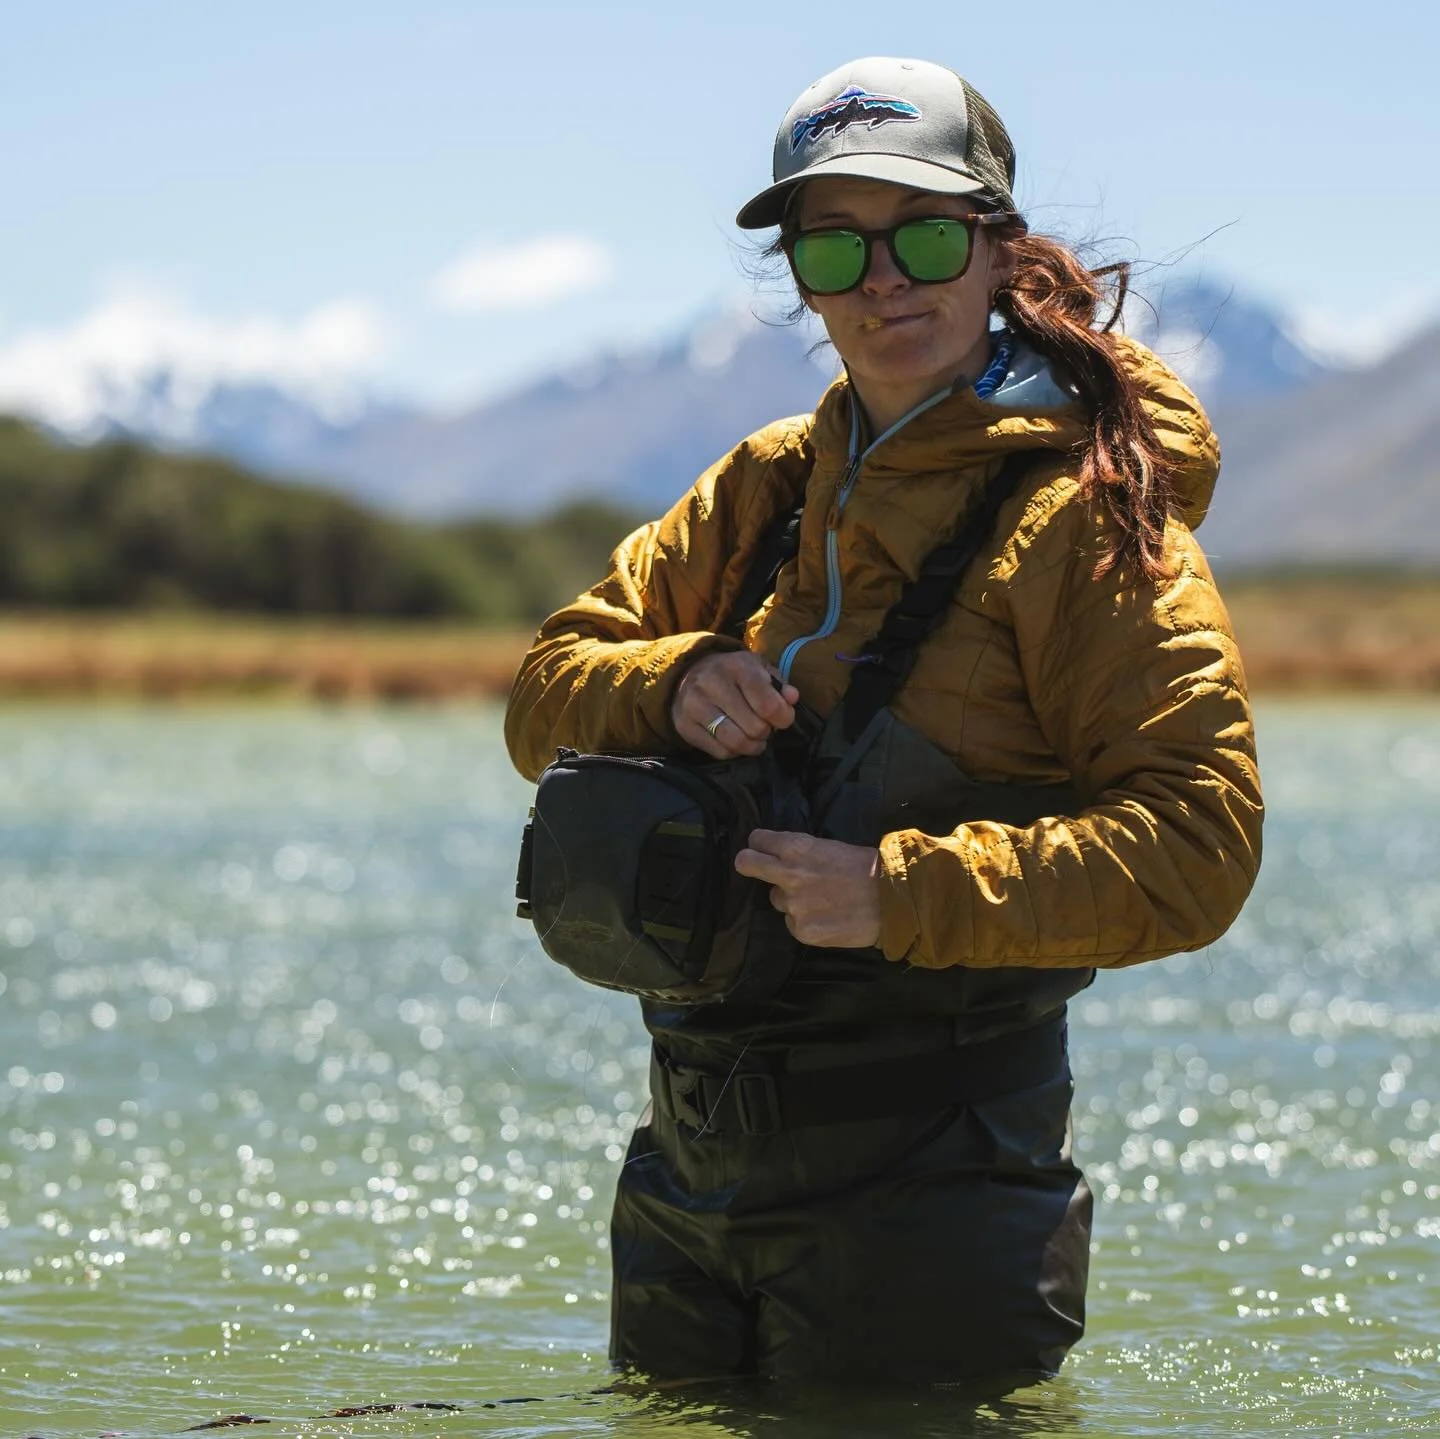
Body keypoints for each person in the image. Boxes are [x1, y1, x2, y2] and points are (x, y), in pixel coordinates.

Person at [505, 56, 1262, 1386]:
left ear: (996, 249)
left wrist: (897, 892)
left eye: (922, 236)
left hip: (940, 1198)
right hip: (686, 1178)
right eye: (833, 247)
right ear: (798, 276)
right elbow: (544, 689)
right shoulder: (763, 485)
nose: (883, 281)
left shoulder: (1087, 520)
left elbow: (1200, 848)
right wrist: (668, 680)